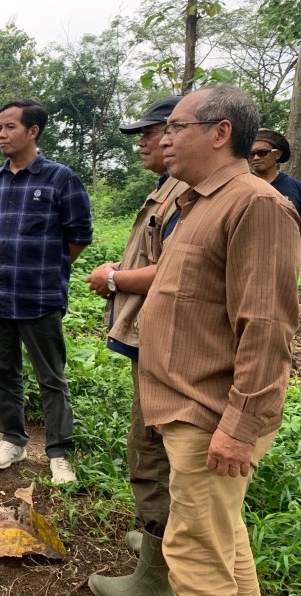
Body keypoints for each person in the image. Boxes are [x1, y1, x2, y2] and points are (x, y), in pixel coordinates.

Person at [139, 86, 301, 595]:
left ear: (220, 133)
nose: (165, 138)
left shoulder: (257, 205)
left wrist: (239, 427)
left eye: (176, 127)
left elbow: (268, 327)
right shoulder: (197, 203)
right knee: (222, 541)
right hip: (189, 408)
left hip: (211, 417)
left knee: (195, 556)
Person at [84, 96, 189, 595]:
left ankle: (156, 575)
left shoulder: (188, 194)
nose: (145, 142)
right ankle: (158, 541)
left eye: (151, 132)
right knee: (150, 444)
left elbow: (174, 271)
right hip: (156, 341)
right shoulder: (169, 188)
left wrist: (114, 277)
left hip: (169, 346)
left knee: (153, 449)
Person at [0, 99, 93, 485]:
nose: (1, 134)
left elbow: (79, 236)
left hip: (39, 298)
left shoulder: (61, 178)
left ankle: (59, 453)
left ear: (33, 132)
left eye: (10, 126)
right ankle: (13, 439)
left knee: (51, 377)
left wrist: (47, 268)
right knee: (2, 372)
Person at [248, 128, 301, 213]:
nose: (256, 158)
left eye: (262, 153)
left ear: (277, 154)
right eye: (251, 154)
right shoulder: (240, 185)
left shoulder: (297, 187)